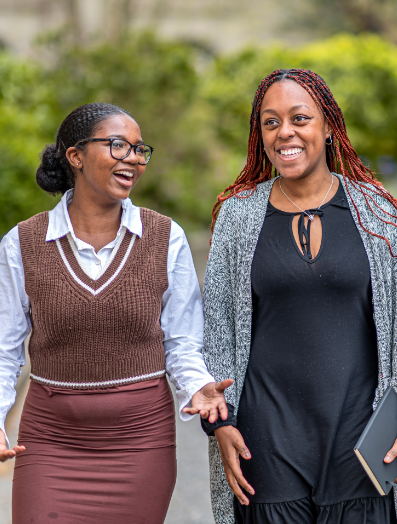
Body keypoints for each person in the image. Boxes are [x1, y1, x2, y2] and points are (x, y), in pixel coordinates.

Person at [0, 102, 231, 524]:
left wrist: (198, 387)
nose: (133, 160)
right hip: (52, 441)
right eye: (119, 146)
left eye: (140, 150)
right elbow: (4, 349)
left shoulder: (166, 237)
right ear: (76, 156)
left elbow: (181, 340)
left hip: (140, 443)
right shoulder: (22, 244)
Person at [200, 69, 397, 524]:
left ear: (328, 127)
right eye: (270, 122)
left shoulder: (377, 211)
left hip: (362, 450)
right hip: (266, 451)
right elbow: (217, 328)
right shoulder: (239, 215)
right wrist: (222, 424)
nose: (284, 132)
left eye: (299, 118)